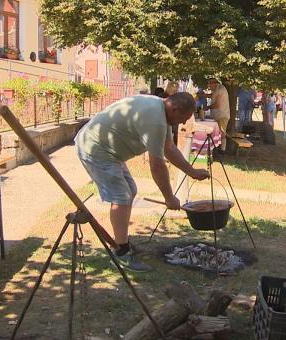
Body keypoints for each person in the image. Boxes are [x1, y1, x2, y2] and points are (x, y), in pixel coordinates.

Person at [75, 93, 210, 271]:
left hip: (108, 150)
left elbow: (168, 148)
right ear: (175, 109)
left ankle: (122, 242)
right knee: (121, 197)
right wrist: (169, 197)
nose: (183, 123)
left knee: (130, 191)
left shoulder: (161, 110)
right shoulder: (156, 120)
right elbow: (157, 166)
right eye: (183, 118)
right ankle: (122, 253)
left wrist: (191, 171)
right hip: (95, 148)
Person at [206, 78, 230, 152]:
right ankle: (215, 149)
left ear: (214, 83)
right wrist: (204, 95)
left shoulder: (220, 89)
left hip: (222, 115)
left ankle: (222, 150)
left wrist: (207, 107)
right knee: (216, 133)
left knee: (221, 133)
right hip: (217, 115)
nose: (209, 87)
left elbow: (217, 104)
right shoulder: (217, 89)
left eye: (210, 85)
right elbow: (213, 95)